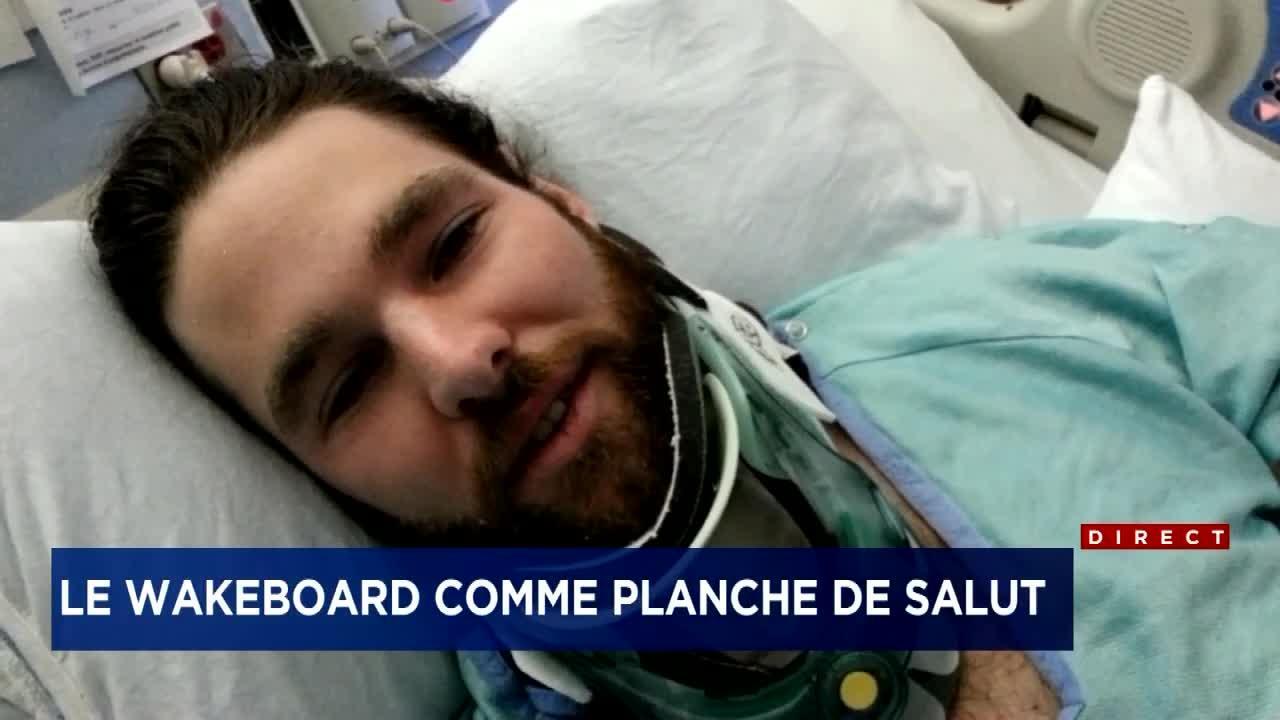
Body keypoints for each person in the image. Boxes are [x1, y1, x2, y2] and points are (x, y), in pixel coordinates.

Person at [89, 61, 1279, 720]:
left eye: (452, 244)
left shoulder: (1033, 315)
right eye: (350, 382)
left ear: (556, 200)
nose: (457, 362)